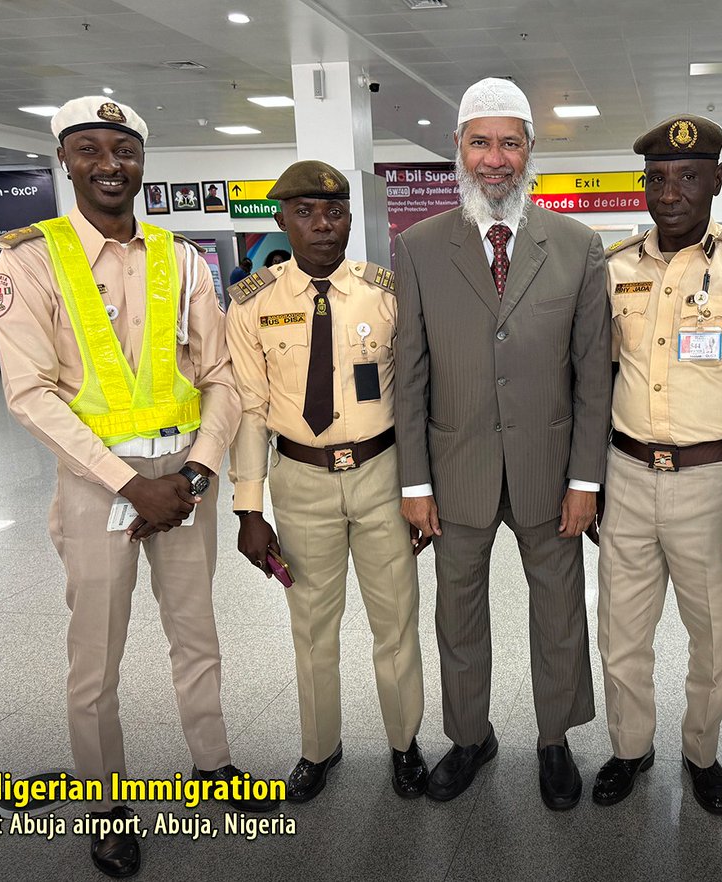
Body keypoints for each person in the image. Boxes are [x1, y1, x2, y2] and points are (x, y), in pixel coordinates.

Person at [0, 96, 276, 879]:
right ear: (65, 160)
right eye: (89, 148)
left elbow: (218, 376)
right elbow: (31, 394)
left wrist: (197, 469)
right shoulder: (30, 259)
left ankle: (212, 766)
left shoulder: (180, 257)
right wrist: (128, 483)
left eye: (124, 148)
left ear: (143, 160)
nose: (109, 164)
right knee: (96, 657)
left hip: (182, 482)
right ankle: (105, 803)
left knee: (198, 636)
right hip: (96, 489)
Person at [394, 77, 611, 810]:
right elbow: (411, 375)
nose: (496, 159)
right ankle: (469, 737)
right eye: (481, 142)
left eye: (509, 143)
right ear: (458, 149)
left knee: (558, 611)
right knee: (457, 614)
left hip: (550, 473)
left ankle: (555, 740)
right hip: (455, 472)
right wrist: (414, 484)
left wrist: (586, 479)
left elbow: (592, 378)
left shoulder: (577, 247)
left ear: (530, 153)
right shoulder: (419, 248)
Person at [593, 115, 722, 814]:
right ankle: (629, 747)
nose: (670, 192)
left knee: (712, 639)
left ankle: (700, 754)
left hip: (713, 485)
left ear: (717, 180)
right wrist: (591, 484)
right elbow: (594, 384)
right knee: (620, 633)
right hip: (626, 476)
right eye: (658, 179)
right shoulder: (614, 269)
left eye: (688, 177)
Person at [225, 160, 426, 802]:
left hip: (380, 473)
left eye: (334, 212)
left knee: (395, 621)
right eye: (306, 213)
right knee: (311, 622)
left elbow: (420, 398)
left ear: (349, 219)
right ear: (281, 219)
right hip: (301, 483)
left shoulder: (386, 293)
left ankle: (404, 742)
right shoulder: (253, 303)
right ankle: (319, 748)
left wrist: (422, 490)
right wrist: (249, 509)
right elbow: (249, 412)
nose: (322, 226)